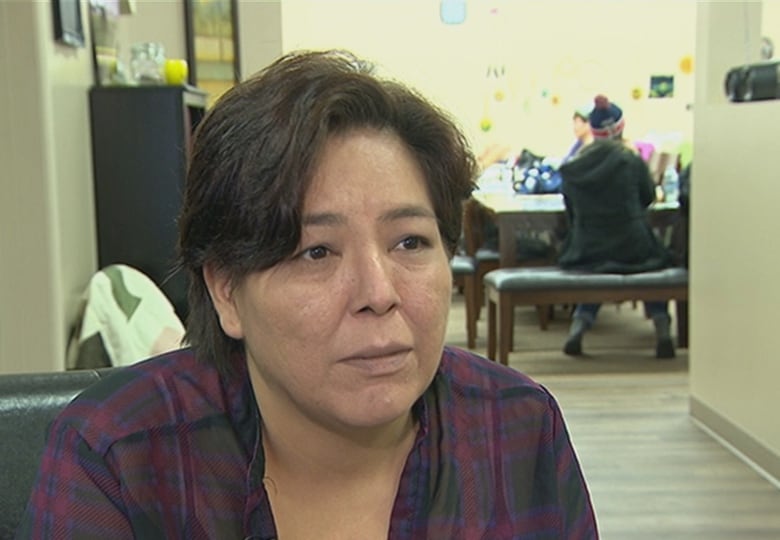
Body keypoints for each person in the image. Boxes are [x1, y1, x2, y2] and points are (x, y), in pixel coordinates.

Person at [17, 50, 598, 538]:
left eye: (410, 242)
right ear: (225, 291)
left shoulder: (518, 428)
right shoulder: (120, 458)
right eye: (315, 252)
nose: (379, 292)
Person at [557, 94, 677, 359]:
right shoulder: (631, 161)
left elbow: (571, 214)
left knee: (599, 264)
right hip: (633, 246)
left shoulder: (573, 168)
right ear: (620, 128)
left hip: (587, 249)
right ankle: (662, 325)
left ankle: (580, 324)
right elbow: (647, 198)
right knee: (655, 259)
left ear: (594, 130)